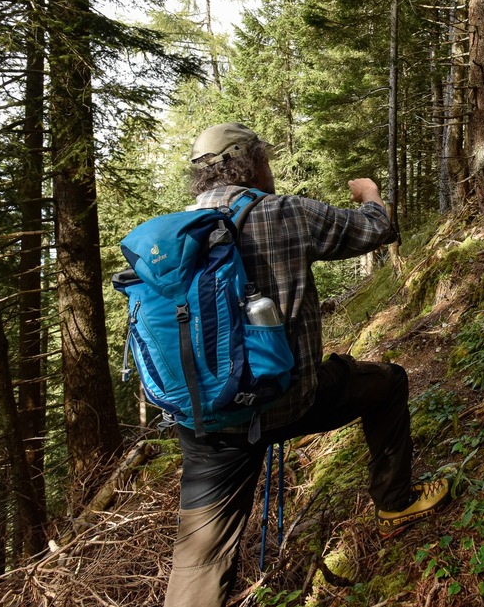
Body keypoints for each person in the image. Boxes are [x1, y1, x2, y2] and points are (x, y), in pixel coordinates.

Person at [165, 123, 451, 607]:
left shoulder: (176, 230)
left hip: (207, 419)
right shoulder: (284, 212)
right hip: (289, 399)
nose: (270, 169)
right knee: (387, 384)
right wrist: (371, 194)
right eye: (266, 159)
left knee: (199, 560)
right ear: (250, 163)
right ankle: (395, 505)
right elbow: (375, 229)